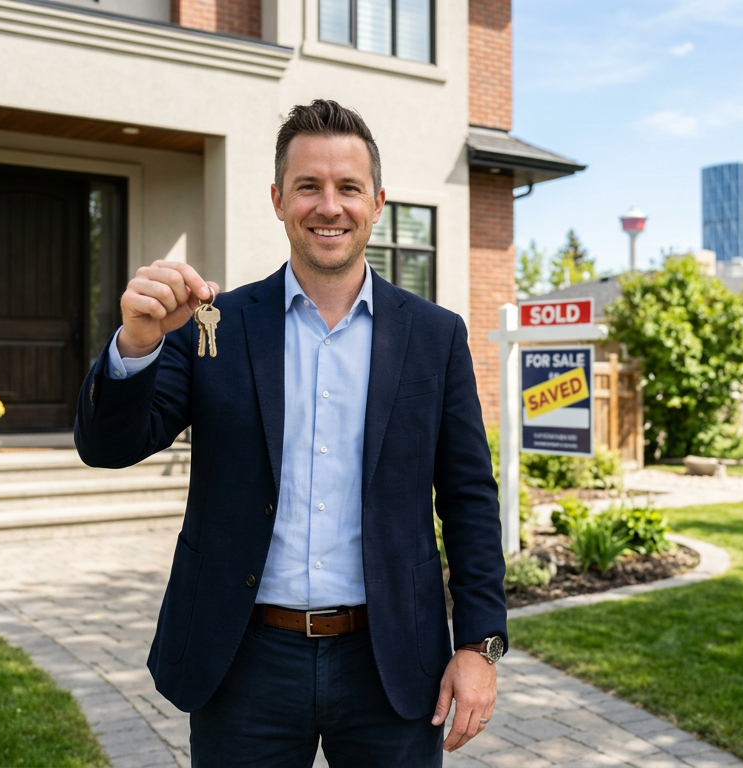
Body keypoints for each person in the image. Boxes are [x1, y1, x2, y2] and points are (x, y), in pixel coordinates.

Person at [75, 99, 507, 767]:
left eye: (347, 187)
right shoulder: (213, 325)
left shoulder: (434, 336)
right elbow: (107, 448)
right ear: (279, 200)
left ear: (378, 202)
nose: (328, 205)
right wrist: (136, 342)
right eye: (309, 186)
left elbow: (470, 499)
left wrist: (479, 646)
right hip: (243, 657)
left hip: (392, 662)